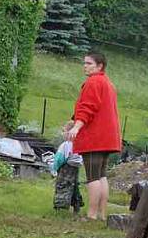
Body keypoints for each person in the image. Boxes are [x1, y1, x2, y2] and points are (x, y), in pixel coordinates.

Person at [64, 52, 122, 220]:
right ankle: (103, 215)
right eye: (84, 63)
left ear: (99, 66)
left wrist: (77, 127)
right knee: (101, 175)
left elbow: (88, 107)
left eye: (89, 63)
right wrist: (73, 121)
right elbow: (96, 108)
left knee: (92, 177)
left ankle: (91, 216)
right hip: (107, 138)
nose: (85, 66)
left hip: (95, 138)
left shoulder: (93, 82)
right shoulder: (107, 83)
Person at [52, 134, 83, 213]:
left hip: (65, 167)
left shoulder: (65, 145)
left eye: (64, 131)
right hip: (75, 167)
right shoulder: (80, 144)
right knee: (74, 186)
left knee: (62, 185)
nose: (63, 134)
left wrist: (55, 168)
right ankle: (77, 205)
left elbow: (59, 158)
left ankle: (60, 205)